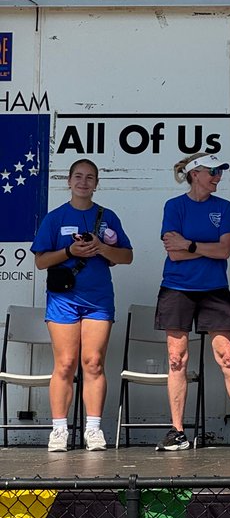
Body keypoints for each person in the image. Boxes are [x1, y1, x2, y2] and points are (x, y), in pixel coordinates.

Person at [156, 153, 230, 451]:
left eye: (220, 171)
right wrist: (204, 248)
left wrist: (190, 244)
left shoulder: (224, 208)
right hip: (177, 288)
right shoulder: (174, 206)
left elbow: (224, 251)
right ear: (195, 174)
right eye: (213, 171)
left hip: (215, 289)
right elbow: (174, 253)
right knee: (176, 359)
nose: (218, 176)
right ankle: (177, 431)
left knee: (227, 358)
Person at [31, 158, 133, 452]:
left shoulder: (107, 216)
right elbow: (40, 261)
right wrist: (69, 250)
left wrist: (101, 247)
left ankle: (93, 428)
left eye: (90, 178)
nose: (83, 182)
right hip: (64, 300)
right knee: (64, 364)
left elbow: (126, 256)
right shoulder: (55, 218)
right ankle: (59, 429)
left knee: (93, 362)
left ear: (96, 183)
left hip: (98, 300)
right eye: (78, 176)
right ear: (69, 181)